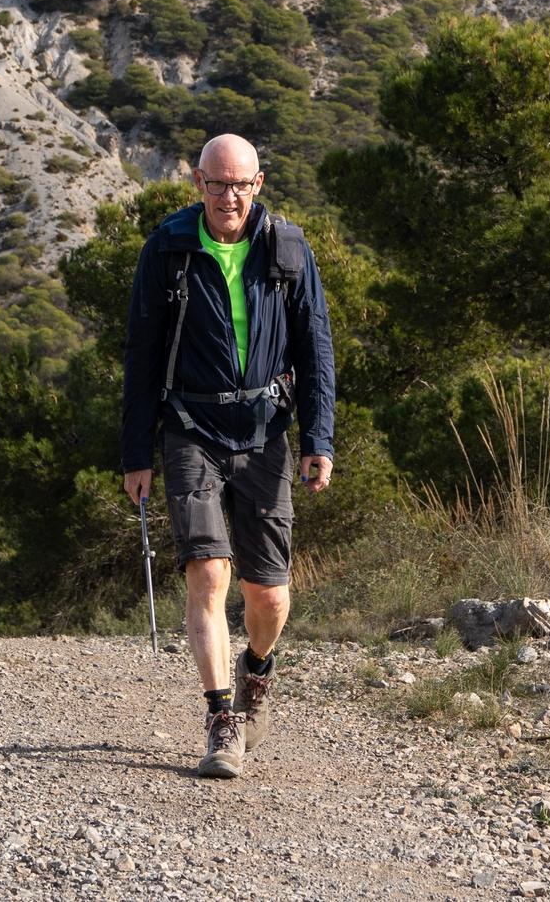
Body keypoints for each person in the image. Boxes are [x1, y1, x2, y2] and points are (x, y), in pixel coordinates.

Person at [121, 133, 336, 779]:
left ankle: (257, 669)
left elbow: (316, 349)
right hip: (190, 428)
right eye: (217, 183)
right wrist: (137, 452)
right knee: (208, 573)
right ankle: (221, 719)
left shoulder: (287, 249)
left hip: (266, 431)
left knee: (267, 596)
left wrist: (317, 438)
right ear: (198, 183)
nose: (228, 196)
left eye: (240, 183)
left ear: (259, 183)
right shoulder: (168, 249)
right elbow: (142, 355)